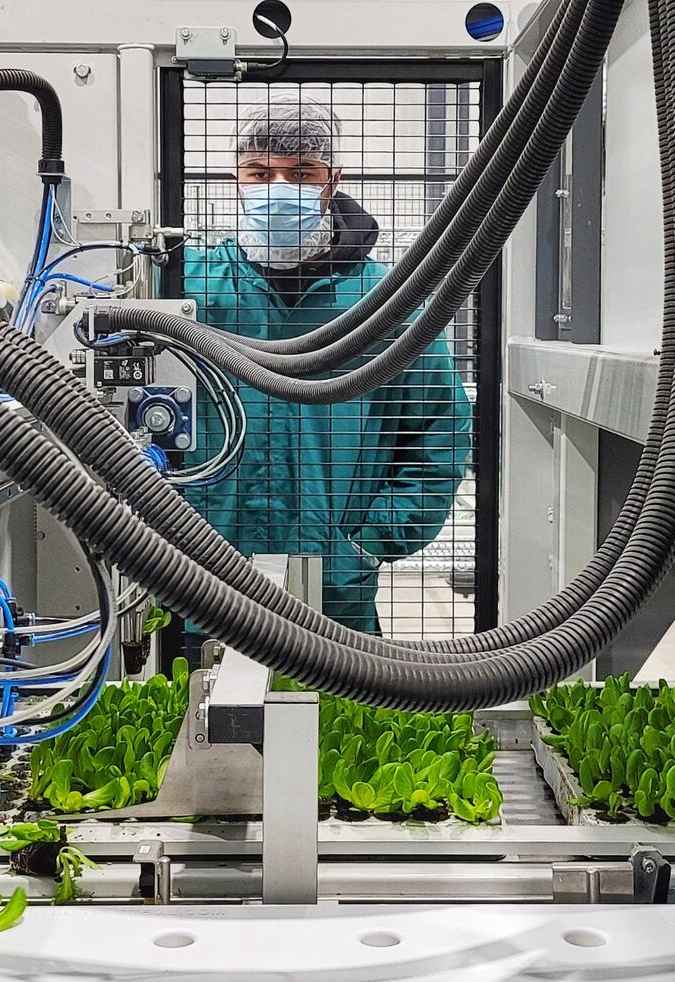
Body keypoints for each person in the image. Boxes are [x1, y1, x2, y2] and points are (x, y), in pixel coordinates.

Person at [179, 95, 472, 635]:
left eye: (301, 173)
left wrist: (369, 538)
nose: (278, 189)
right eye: (260, 172)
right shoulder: (188, 291)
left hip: (334, 590)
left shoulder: (388, 302)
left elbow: (441, 435)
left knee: (341, 715)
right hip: (197, 578)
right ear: (234, 179)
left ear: (332, 180)